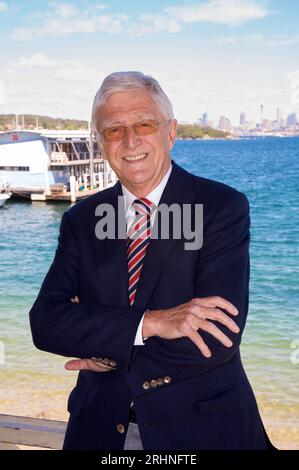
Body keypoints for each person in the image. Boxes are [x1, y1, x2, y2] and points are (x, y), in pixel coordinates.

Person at [29, 71, 272, 450]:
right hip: (98, 430)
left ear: (170, 131)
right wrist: (152, 324)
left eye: (144, 123)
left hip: (201, 432)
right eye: (113, 130)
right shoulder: (81, 220)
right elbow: (45, 322)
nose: (130, 141)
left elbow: (215, 338)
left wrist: (106, 344)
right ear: (100, 141)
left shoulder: (220, 208)